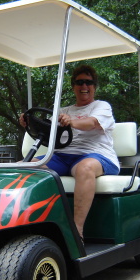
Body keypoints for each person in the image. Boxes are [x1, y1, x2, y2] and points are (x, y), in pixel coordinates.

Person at [19, 65, 120, 240]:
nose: (84, 87)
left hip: (96, 155)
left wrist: (72, 122)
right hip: (63, 156)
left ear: (94, 86)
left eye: (88, 82)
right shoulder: (63, 110)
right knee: (27, 166)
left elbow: (92, 123)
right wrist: (29, 123)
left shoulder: (101, 106)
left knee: (84, 169)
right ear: (73, 86)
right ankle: (30, 225)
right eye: (79, 82)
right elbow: (47, 130)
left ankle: (76, 231)